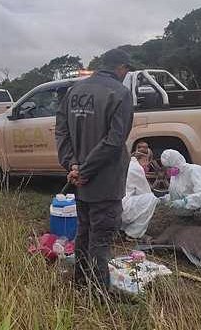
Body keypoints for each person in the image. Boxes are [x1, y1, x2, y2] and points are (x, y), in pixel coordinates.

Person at [56, 48, 134, 290]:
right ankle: (99, 297)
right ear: (120, 68)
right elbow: (114, 140)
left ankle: (80, 284)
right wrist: (85, 170)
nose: (126, 74)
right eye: (126, 69)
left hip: (81, 182)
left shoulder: (73, 91)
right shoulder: (120, 93)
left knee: (84, 233)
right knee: (100, 241)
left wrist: (73, 165)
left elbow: (61, 131)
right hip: (105, 183)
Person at [121, 153, 158, 239]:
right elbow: (145, 192)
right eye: (147, 162)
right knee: (151, 199)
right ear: (143, 159)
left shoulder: (125, 164)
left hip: (108, 206)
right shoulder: (136, 168)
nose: (147, 167)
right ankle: (133, 234)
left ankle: (120, 229)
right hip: (120, 209)